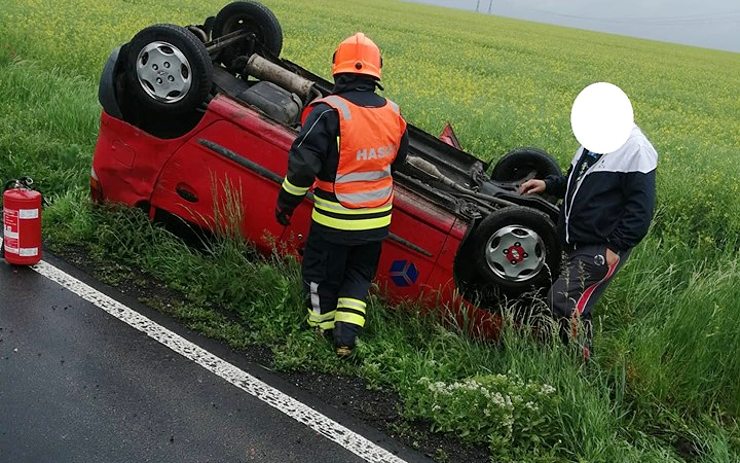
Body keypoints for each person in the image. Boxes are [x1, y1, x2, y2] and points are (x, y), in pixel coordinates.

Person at [274, 33, 409, 358]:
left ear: (338, 69)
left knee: (320, 276)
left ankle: (320, 330)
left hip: (335, 219)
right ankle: (345, 339)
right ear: (376, 71)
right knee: (358, 277)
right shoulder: (393, 112)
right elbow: (398, 160)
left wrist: (286, 203)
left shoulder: (329, 110)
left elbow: (303, 169)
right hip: (377, 221)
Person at [519, 85, 657, 360]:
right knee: (575, 303)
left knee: (561, 300)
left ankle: (570, 365)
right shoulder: (594, 142)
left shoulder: (637, 150)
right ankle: (566, 361)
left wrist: (614, 248)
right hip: (575, 240)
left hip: (600, 247)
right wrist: (547, 184)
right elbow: (575, 183)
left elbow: (641, 211)